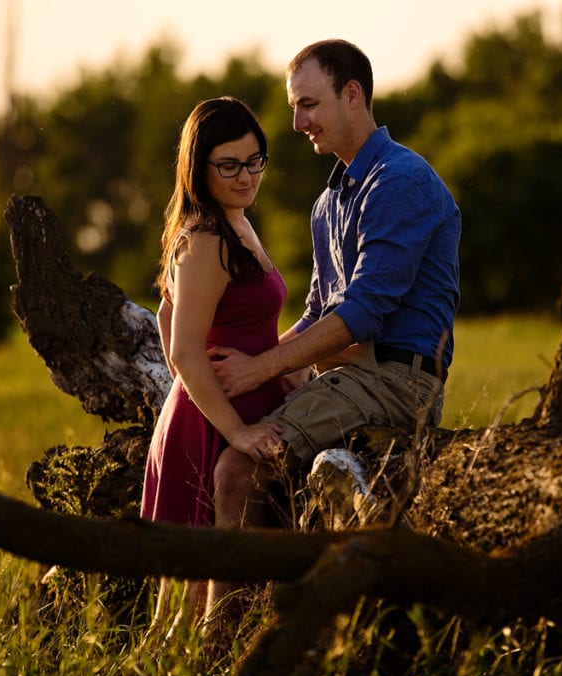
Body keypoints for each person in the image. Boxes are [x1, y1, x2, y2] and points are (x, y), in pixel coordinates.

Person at [204, 38, 461, 634]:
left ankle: (221, 645)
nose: (297, 123)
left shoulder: (402, 180)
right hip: (345, 376)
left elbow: (366, 311)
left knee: (238, 472)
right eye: (294, 107)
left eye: (309, 104)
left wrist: (262, 367)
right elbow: (321, 309)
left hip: (396, 381)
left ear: (353, 94)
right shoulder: (328, 203)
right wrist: (243, 368)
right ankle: (272, 621)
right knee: (236, 443)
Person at [139, 96, 290, 645]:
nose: (246, 176)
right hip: (211, 425)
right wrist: (236, 429)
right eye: (228, 165)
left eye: (255, 161)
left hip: (220, 407)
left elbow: (165, 314)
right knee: (182, 611)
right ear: (198, 169)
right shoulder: (206, 239)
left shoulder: (236, 223)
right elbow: (180, 351)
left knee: (197, 599)